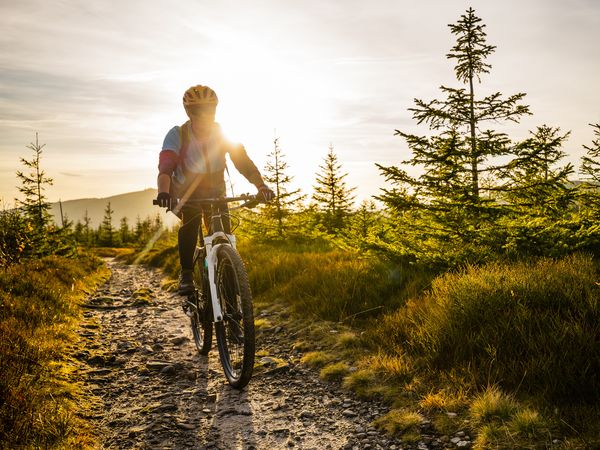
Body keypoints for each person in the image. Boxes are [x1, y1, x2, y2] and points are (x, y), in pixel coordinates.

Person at [156, 85, 274, 295]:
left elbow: (243, 162)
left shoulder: (223, 134)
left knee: (224, 234)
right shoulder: (178, 134)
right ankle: (186, 275)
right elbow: (166, 165)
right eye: (197, 110)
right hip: (187, 192)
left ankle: (230, 290)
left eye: (209, 110)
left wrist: (261, 186)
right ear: (188, 112)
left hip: (216, 191)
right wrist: (164, 193)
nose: (204, 115)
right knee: (191, 224)